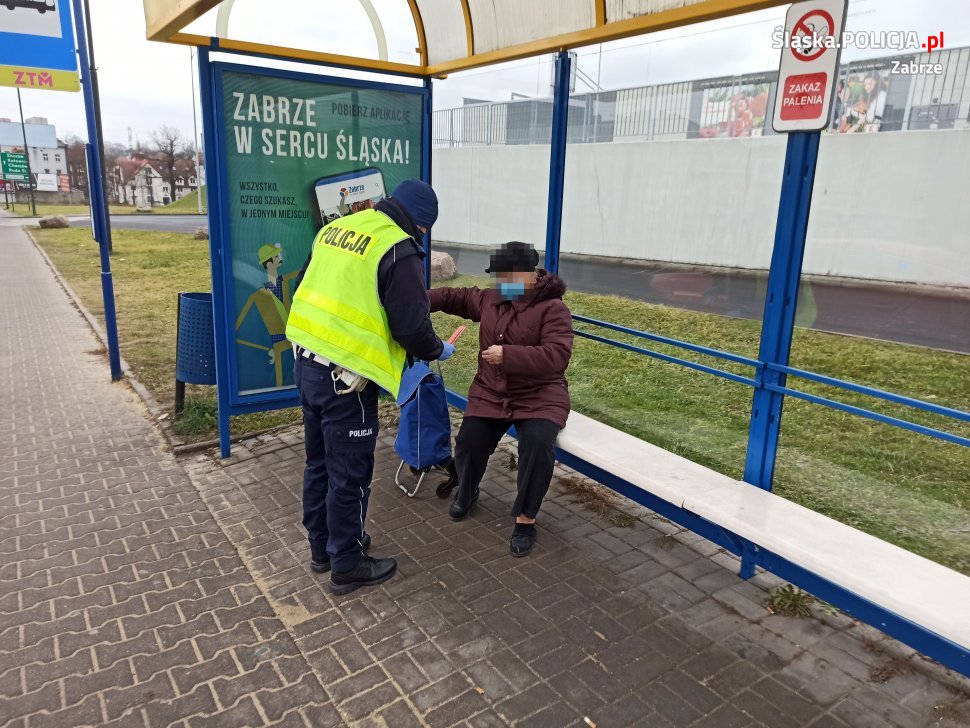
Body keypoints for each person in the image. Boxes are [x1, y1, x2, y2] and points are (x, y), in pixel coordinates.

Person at [286, 179, 455, 595]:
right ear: (422, 225)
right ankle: (347, 563)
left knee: (318, 464)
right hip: (347, 380)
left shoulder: (338, 228)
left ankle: (322, 549)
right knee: (350, 475)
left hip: (307, 365)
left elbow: (306, 285)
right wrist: (439, 350)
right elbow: (411, 327)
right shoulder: (398, 248)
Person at [428, 242, 573, 557]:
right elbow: (454, 296)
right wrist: (414, 302)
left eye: (504, 277)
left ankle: (525, 519)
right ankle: (467, 491)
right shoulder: (491, 298)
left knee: (537, 444)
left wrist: (509, 355)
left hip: (539, 394)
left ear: (527, 276)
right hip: (491, 391)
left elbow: (557, 356)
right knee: (468, 442)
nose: (498, 284)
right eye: (497, 278)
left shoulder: (553, 308)